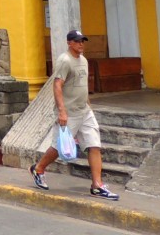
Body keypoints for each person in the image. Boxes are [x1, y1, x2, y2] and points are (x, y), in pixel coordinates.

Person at [29, 29, 119, 200]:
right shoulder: (65, 61)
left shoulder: (83, 60)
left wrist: (88, 106)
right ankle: (38, 169)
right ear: (69, 43)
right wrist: (62, 111)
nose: (81, 44)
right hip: (69, 113)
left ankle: (97, 185)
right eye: (77, 41)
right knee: (58, 147)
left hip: (84, 111)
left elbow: (82, 86)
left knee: (94, 145)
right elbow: (57, 86)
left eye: (82, 41)